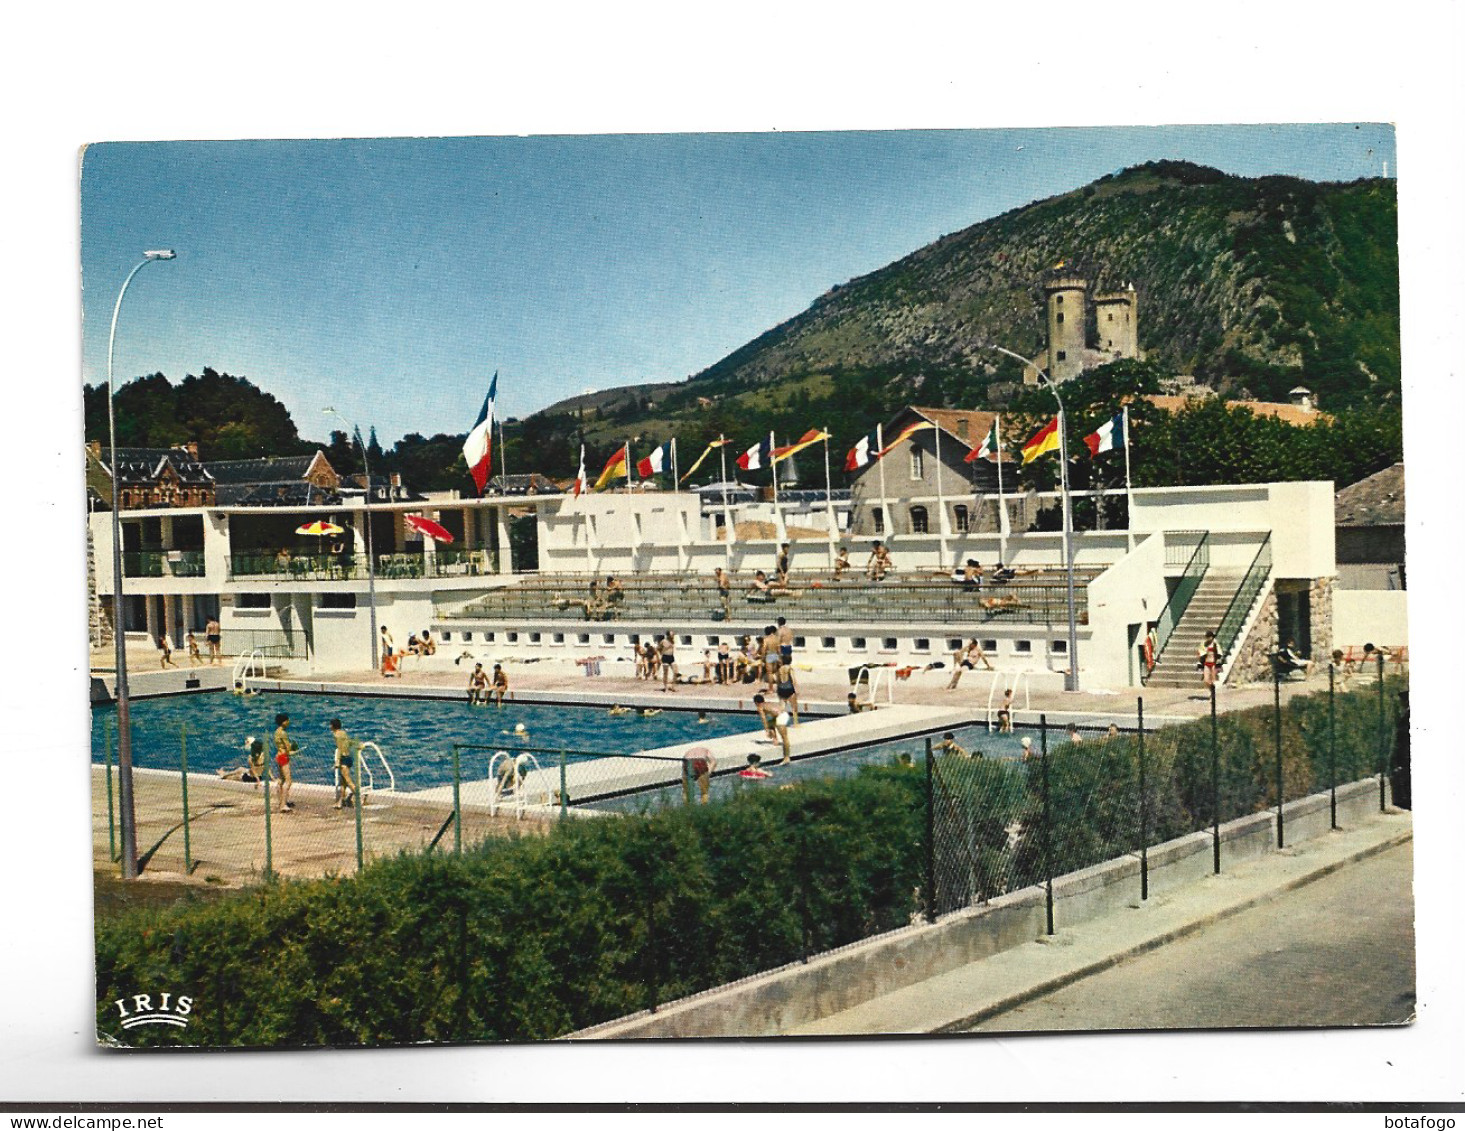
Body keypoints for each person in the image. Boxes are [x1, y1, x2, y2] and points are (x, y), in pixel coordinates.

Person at [329, 718, 359, 809]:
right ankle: (340, 802)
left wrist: (337, 762)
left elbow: (339, 749)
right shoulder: (343, 733)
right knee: (343, 783)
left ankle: (358, 797)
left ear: (333, 726)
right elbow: (348, 742)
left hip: (343, 759)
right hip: (349, 758)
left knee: (348, 780)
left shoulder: (336, 735)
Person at [272, 712, 297, 812]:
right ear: (283, 722)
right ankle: (283, 805)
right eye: (287, 721)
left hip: (278, 755)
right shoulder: (283, 733)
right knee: (288, 781)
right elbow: (288, 747)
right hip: (283, 757)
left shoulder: (276, 732)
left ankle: (281, 801)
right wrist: (293, 748)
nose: (288, 722)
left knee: (281, 780)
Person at [760, 625, 782, 692]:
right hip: (776, 654)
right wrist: (780, 657)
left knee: (770, 673)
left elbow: (764, 649)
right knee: (777, 672)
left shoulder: (766, 639)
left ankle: (771, 689)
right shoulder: (777, 638)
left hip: (769, 655)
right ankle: (779, 688)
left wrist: (763, 657)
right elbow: (779, 649)